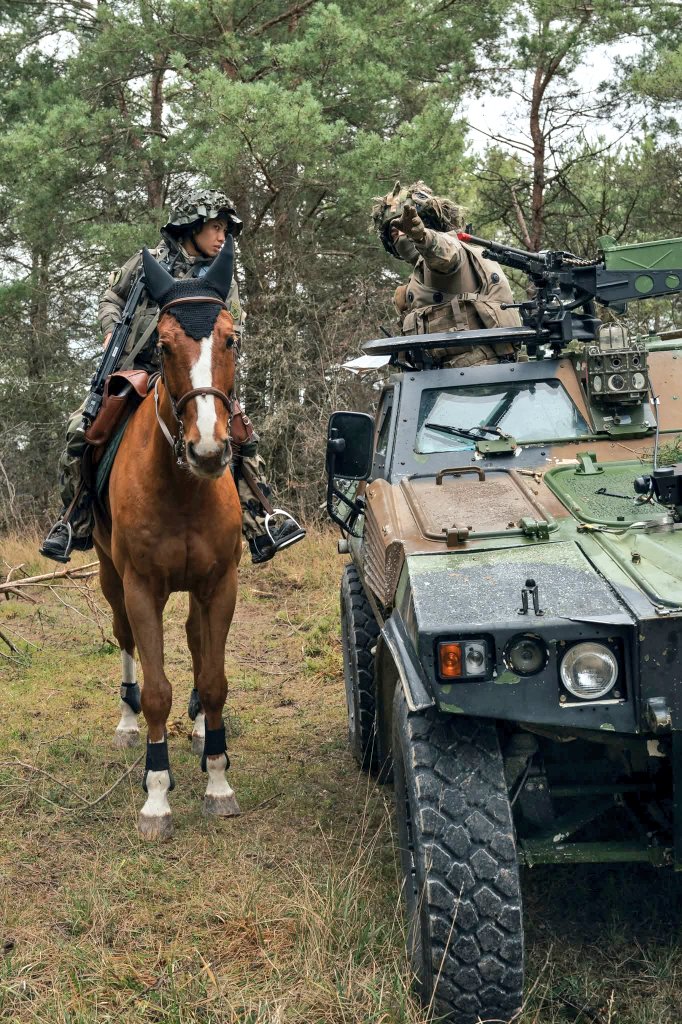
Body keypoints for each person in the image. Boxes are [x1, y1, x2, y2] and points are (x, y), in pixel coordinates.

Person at [40, 189, 305, 565]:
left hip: (197, 379)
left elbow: (235, 320)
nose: (222, 237)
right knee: (79, 429)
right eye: (215, 227)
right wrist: (112, 328)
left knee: (245, 437)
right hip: (138, 370)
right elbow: (110, 297)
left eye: (226, 229)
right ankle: (74, 519)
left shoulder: (223, 276)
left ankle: (260, 518)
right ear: (190, 228)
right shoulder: (148, 262)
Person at [372, 181, 522, 365]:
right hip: (442, 383)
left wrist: (422, 236)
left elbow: (445, 255)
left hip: (480, 378)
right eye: (394, 233)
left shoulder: (455, 251)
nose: (402, 236)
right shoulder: (416, 282)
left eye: (406, 228)